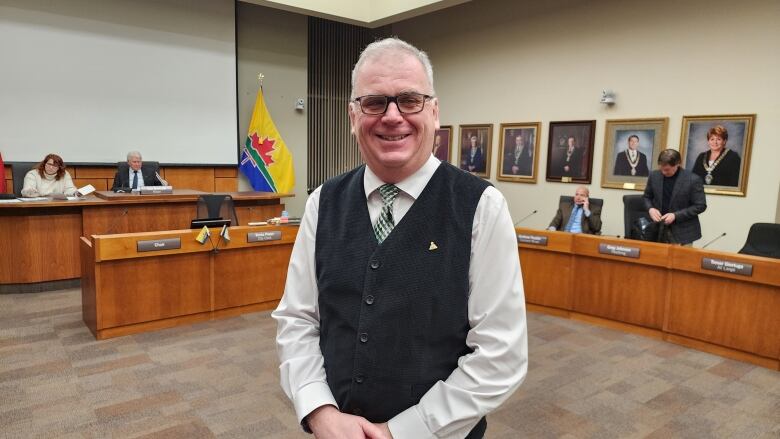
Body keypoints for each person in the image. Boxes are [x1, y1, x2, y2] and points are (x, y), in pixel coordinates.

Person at [272, 37, 528, 439]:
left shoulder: (482, 207)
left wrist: (402, 432)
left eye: (410, 100)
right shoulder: (324, 202)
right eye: (374, 102)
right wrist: (319, 410)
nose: (392, 116)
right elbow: (298, 319)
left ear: (435, 112)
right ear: (352, 116)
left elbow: (501, 355)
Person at [643, 149, 707, 245]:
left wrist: (676, 216)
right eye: (661, 169)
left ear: (677, 164)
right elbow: (647, 197)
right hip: (658, 230)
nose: (663, 172)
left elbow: (700, 205)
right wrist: (650, 209)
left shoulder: (693, 179)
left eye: (667, 170)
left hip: (683, 233)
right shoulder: (654, 175)